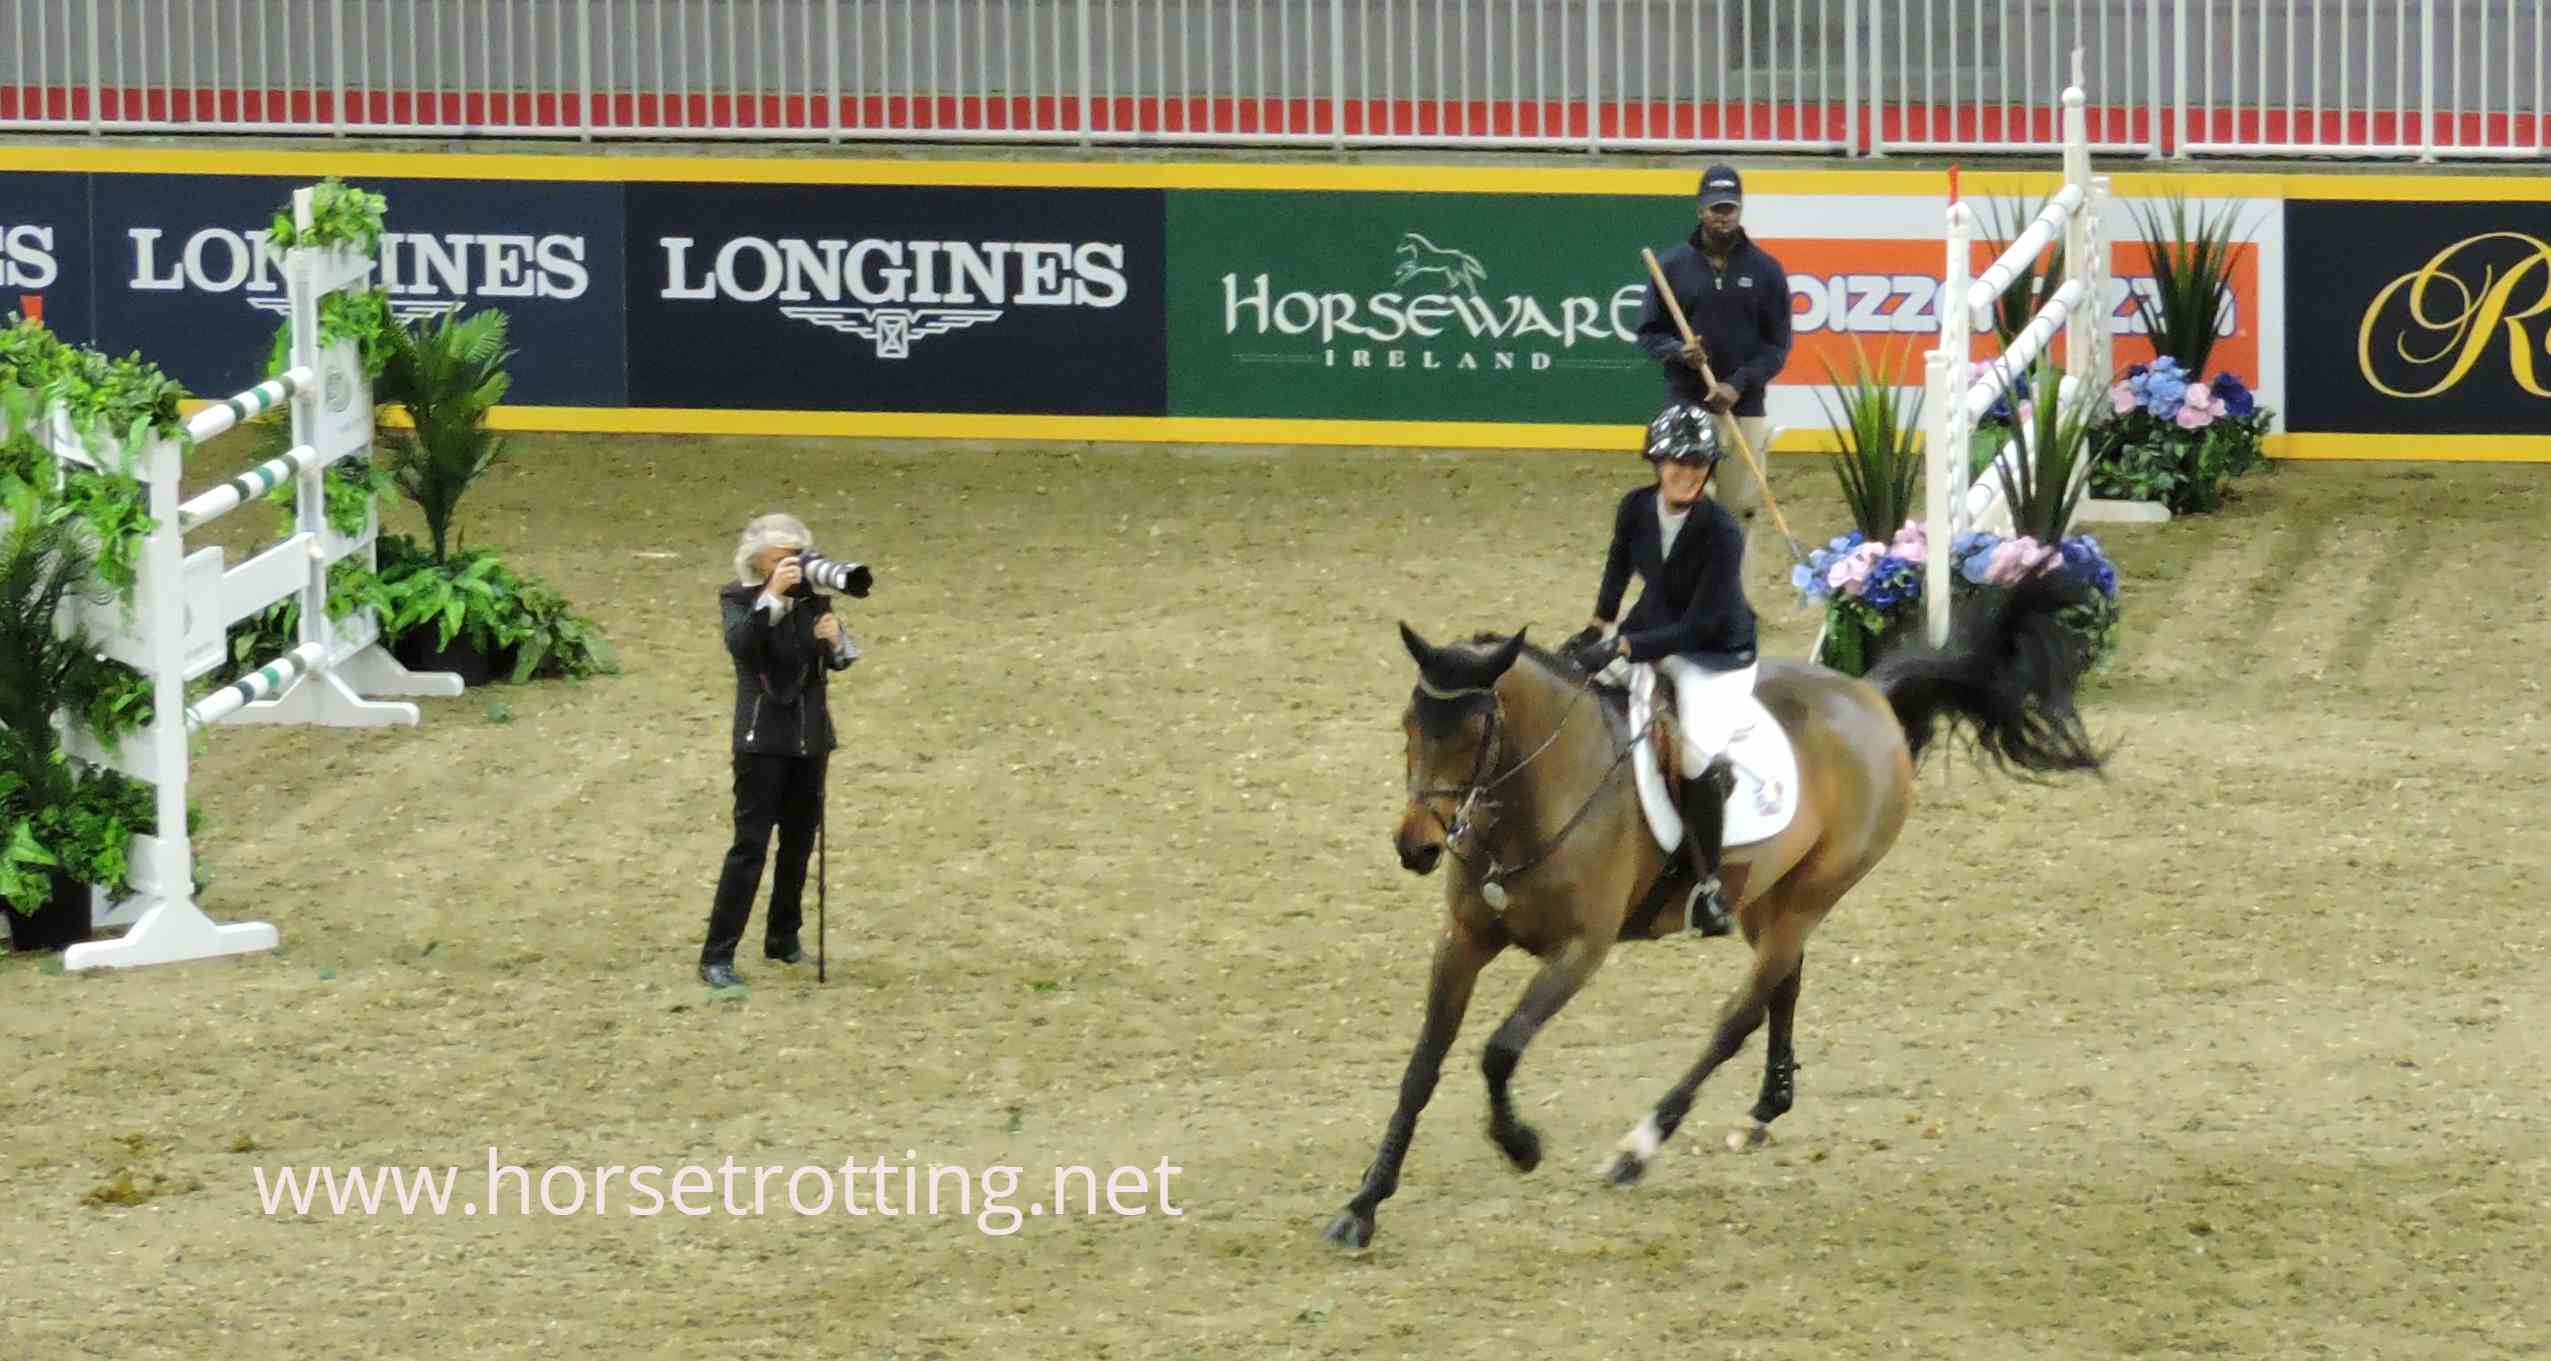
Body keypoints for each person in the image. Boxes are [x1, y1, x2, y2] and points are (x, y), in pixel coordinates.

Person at [1561, 404, 1760, 937]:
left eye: (1698, 463)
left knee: (1694, 755)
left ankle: (1708, 884)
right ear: (1657, 462)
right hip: (1649, 630)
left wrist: (1623, 644)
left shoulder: (1720, 531)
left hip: (1713, 653)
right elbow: (1618, 564)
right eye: (1677, 461)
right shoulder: (1635, 508)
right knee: (1573, 684)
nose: (1688, 471)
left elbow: (1699, 626)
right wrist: (1597, 625)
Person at [699, 512, 859, 988]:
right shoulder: (738, 597)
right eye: (783, 557)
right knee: (750, 847)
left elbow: (841, 660)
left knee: (798, 843)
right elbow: (743, 646)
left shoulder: (814, 599)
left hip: (810, 739)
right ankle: (717, 956)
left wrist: (838, 640)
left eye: (799, 554)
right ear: (759, 561)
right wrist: (772, 599)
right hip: (761, 740)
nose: (795, 563)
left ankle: (783, 938)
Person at [1634, 162, 1793, 573]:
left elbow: (1777, 347)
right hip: (1687, 404)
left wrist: (1737, 385)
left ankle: (1733, 602)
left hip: (1744, 407)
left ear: (1740, 210)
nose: (1722, 216)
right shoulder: (1671, 267)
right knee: (1682, 504)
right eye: (1714, 208)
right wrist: (1678, 351)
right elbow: (1649, 333)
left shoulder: (1767, 271)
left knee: (1740, 508)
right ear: (1700, 210)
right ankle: (1682, 598)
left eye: (1729, 208)